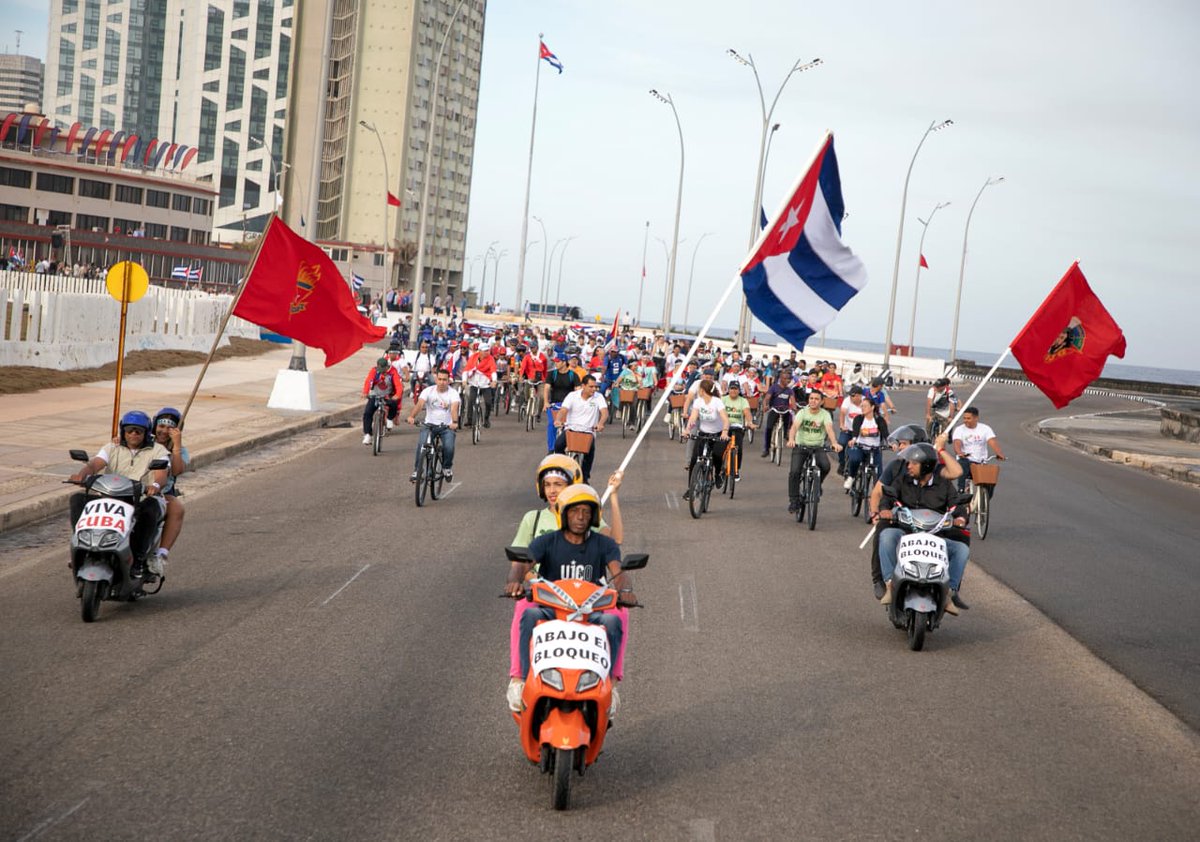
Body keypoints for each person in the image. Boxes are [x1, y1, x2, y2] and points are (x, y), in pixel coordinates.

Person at [504, 457, 626, 708]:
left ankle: (611, 684)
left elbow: (615, 541)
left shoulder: (584, 517)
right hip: (546, 595)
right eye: (547, 484)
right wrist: (521, 582)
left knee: (620, 615)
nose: (552, 490)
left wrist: (613, 496)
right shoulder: (533, 519)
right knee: (522, 612)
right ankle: (518, 680)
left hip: (586, 600)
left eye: (558, 484)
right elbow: (520, 560)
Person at [68, 410, 170, 578]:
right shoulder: (112, 447)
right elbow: (95, 464)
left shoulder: (158, 451)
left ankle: (138, 559)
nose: (134, 434)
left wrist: (155, 485)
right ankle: (81, 545)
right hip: (110, 497)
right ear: (123, 431)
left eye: (139, 431)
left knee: (151, 508)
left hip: (142, 499)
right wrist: (83, 474)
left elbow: (161, 473)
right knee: (78, 499)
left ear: (146, 433)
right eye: (130, 430)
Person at [876, 442, 971, 615]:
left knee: (961, 549)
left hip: (936, 537)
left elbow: (957, 505)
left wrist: (960, 518)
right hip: (906, 533)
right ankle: (890, 584)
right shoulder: (903, 479)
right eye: (908, 462)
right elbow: (888, 497)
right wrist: (884, 510)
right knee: (887, 536)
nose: (908, 466)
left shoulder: (943, 484)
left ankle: (949, 592)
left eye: (913, 463)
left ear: (926, 466)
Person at [786, 390, 842, 514]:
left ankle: (818, 484)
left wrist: (834, 443)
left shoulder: (825, 414)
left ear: (822, 401)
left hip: (818, 447)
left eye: (816, 399)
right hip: (801, 446)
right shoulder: (802, 412)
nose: (813, 401)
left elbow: (829, 429)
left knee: (826, 466)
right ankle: (794, 500)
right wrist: (791, 439)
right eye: (811, 398)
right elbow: (794, 427)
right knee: (795, 472)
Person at [151, 407, 190, 572]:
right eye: (161, 426)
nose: (164, 431)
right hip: (134, 489)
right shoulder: (145, 441)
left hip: (162, 493)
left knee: (177, 508)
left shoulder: (181, 450)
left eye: (170, 428)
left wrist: (176, 446)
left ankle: (161, 555)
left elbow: (176, 470)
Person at [407, 369, 461, 482]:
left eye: (444, 380)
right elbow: (420, 404)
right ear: (436, 380)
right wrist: (412, 417)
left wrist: (455, 422)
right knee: (422, 445)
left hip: (446, 427)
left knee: (449, 447)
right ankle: (417, 471)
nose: (442, 382)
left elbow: (454, 409)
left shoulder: (453, 393)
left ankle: (446, 468)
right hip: (429, 425)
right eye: (440, 379)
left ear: (448, 381)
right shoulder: (428, 391)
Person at [554, 374, 608, 483]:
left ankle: (585, 477)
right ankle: (563, 469)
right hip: (571, 429)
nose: (594, 389)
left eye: (595, 387)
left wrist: (601, 423)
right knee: (558, 445)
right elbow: (563, 410)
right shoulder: (572, 395)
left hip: (588, 431)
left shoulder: (598, 397)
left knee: (590, 452)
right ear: (583, 386)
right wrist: (558, 420)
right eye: (591, 387)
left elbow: (604, 412)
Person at [682, 380, 730, 500]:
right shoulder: (698, 401)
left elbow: (725, 419)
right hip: (703, 433)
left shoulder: (717, 402)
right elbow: (693, 418)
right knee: (694, 460)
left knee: (717, 455)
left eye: (699, 389)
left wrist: (724, 432)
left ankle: (718, 474)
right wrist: (687, 429)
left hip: (718, 434)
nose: (698, 391)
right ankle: (691, 488)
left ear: (703, 390)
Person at [951, 406, 1006, 493]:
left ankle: (986, 499)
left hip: (981, 461)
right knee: (963, 465)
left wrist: (999, 453)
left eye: (968, 418)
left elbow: (992, 442)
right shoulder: (959, 429)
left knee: (990, 482)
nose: (965, 420)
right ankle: (960, 491)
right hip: (966, 459)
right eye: (964, 418)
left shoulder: (985, 429)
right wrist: (960, 453)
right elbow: (957, 443)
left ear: (976, 418)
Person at [843, 397, 889, 489]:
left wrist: (891, 443)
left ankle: (876, 494)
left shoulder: (879, 420)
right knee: (855, 459)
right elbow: (855, 432)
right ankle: (851, 477)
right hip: (860, 447)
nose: (862, 408)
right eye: (862, 406)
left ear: (872, 407)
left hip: (874, 450)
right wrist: (854, 440)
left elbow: (886, 434)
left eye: (865, 406)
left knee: (879, 473)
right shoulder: (858, 419)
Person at [361, 356, 404, 445]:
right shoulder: (374, 371)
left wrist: (397, 395)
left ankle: (389, 419)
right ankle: (368, 435)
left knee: (393, 404)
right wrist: (365, 392)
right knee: (367, 413)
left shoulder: (393, 372)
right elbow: (368, 381)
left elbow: (398, 385)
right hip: (375, 395)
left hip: (387, 395)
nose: (382, 372)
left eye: (383, 370)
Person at [542, 356, 580, 452]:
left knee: (570, 427)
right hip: (554, 404)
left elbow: (578, 391)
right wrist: (546, 402)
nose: (556, 363)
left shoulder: (573, 375)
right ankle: (551, 449)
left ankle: (569, 446)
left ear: (564, 362)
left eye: (558, 361)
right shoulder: (551, 374)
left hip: (569, 406)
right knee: (552, 425)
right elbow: (546, 388)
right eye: (555, 362)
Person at [721, 379, 754, 481]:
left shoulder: (743, 401)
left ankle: (736, 469)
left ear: (739, 390)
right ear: (728, 389)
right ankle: (721, 468)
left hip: (737, 427)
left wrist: (749, 422)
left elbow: (747, 413)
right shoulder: (723, 399)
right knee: (720, 449)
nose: (733, 391)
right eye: (731, 389)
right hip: (723, 427)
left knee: (738, 449)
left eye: (735, 389)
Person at [760, 368, 797, 457]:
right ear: (781, 378)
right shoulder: (774, 388)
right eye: (785, 379)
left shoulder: (789, 390)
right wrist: (765, 405)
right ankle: (766, 448)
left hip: (785, 410)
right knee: (769, 428)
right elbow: (767, 398)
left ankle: (785, 435)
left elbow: (793, 401)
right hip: (774, 410)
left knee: (789, 421)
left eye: (788, 379)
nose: (787, 381)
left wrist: (795, 408)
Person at [462, 344, 497, 428]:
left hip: (485, 384)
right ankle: (469, 420)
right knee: (471, 401)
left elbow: (493, 371)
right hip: (474, 383)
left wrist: (494, 381)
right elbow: (466, 370)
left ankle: (486, 419)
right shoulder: (473, 357)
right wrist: (464, 380)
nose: (487, 352)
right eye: (485, 351)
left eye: (488, 350)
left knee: (488, 402)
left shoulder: (490, 358)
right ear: (480, 351)